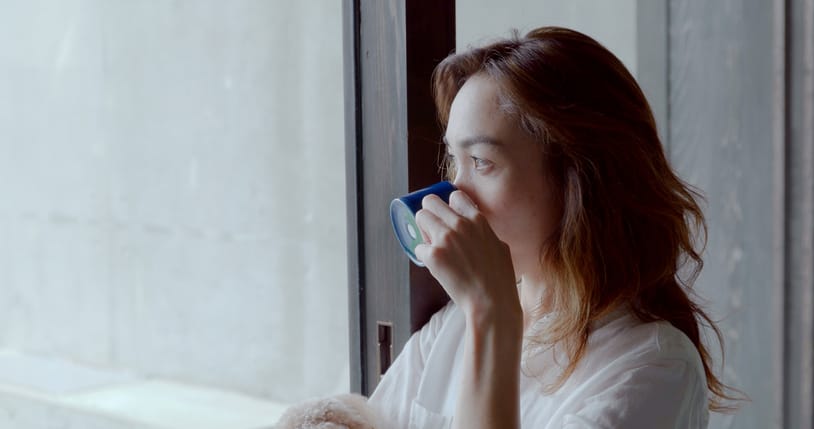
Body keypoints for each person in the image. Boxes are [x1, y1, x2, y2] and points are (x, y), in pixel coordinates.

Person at [276, 26, 741, 429]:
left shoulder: (653, 368)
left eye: (482, 162)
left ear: (579, 181)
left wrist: (491, 314)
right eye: (454, 160)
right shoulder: (450, 328)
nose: (454, 194)